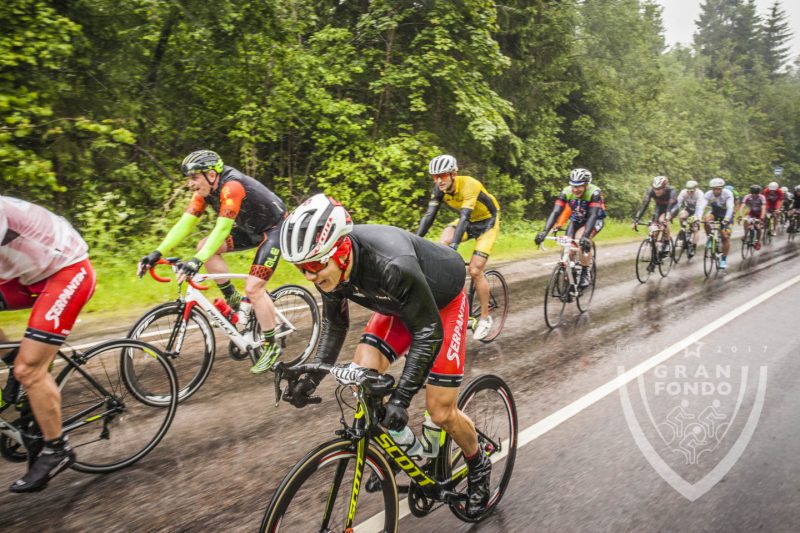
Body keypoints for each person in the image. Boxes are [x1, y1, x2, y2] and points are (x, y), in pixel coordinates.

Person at [280, 194, 492, 518]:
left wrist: (401, 400)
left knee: (440, 411)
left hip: (441, 307)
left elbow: (428, 332)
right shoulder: (328, 269)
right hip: (398, 303)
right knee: (362, 376)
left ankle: (479, 464)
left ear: (341, 250)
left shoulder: (391, 264)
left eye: (313, 266)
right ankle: (402, 448)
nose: (309, 276)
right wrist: (310, 379)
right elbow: (335, 326)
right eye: (301, 268)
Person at [137, 150, 288, 374]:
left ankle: (271, 345)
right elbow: (184, 224)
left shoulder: (231, 187)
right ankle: (232, 297)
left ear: (210, 175)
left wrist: (197, 261)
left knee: (254, 288)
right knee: (204, 246)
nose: (190, 184)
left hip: (275, 229)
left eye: (193, 177)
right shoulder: (204, 192)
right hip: (250, 229)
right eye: (189, 179)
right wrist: (157, 252)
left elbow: (223, 228)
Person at [1, 196, 97, 492]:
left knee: (29, 369)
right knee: (22, 366)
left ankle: (57, 448)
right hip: (28, 273)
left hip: (68, 272)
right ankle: (14, 359)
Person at [416, 155, 500, 340]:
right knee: (443, 241)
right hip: (469, 222)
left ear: (453, 174)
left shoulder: (470, 184)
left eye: (442, 176)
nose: (439, 180)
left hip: (487, 223)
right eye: (435, 176)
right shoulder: (439, 189)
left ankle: (485, 317)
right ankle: (450, 295)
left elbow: (464, 218)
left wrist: (454, 247)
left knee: (475, 270)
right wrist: (414, 239)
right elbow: (429, 216)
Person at [534, 168, 605, 289]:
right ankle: (571, 275)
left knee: (580, 240)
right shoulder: (566, 192)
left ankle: (585, 272)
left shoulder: (594, 193)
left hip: (593, 220)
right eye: (573, 186)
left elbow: (593, 215)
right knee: (568, 248)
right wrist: (544, 232)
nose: (575, 189)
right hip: (576, 220)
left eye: (579, 186)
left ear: (586, 185)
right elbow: (555, 212)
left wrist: (585, 236)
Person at [632, 176, 677, 254]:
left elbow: (669, 208)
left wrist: (666, 220)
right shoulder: (650, 191)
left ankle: (667, 243)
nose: (656, 191)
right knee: (654, 231)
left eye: (659, 189)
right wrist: (636, 219)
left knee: (662, 220)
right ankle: (655, 255)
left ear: (664, 188)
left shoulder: (671, 191)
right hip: (659, 207)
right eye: (655, 189)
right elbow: (644, 205)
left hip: (672, 208)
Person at [703, 178, 735, 269]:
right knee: (706, 219)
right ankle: (710, 238)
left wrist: (726, 219)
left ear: (722, 188)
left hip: (726, 215)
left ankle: (723, 260)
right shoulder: (708, 194)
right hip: (715, 213)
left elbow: (730, 207)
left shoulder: (728, 194)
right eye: (714, 189)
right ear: (712, 189)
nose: (716, 191)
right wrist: (697, 217)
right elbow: (701, 206)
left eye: (718, 189)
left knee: (725, 236)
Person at [671, 180, 705, 256]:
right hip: (688, 209)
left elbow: (699, 208)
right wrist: (672, 212)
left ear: (696, 189)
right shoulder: (683, 192)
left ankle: (693, 247)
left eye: (691, 191)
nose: (689, 193)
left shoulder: (700, 194)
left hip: (697, 211)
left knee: (695, 228)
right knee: (681, 215)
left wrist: (697, 218)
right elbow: (678, 204)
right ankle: (683, 230)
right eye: (688, 191)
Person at [738, 185, 766, 250]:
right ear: (751, 192)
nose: (754, 195)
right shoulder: (747, 196)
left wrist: (761, 218)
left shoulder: (762, 197)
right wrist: (740, 215)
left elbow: (763, 207)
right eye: (753, 193)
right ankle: (745, 235)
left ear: (759, 193)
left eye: (756, 194)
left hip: (760, 213)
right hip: (752, 213)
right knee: (746, 220)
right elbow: (742, 206)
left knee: (758, 227)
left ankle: (758, 241)